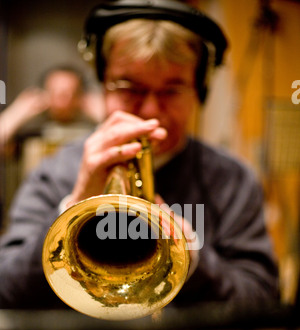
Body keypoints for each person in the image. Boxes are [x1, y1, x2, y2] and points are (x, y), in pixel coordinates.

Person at [0, 0, 279, 312]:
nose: (150, 111)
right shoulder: (55, 172)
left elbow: (262, 301)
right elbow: (6, 290)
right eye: (128, 88)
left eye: (172, 91)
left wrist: (191, 256)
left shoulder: (233, 179)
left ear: (199, 91)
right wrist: (72, 206)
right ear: (103, 87)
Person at [0, 65, 104, 174]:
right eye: (55, 92)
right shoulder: (30, 136)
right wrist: (17, 112)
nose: (63, 101)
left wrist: (102, 112)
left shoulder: (96, 134)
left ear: (81, 96)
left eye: (70, 93)